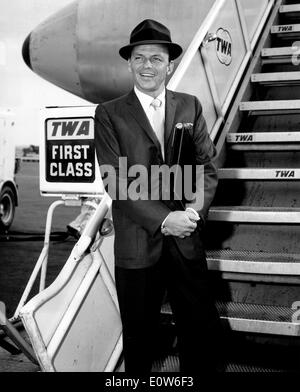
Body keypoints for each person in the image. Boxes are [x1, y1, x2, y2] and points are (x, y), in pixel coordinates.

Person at [94, 19, 223, 373]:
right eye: (139, 58)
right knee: (139, 339)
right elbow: (115, 181)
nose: (146, 66)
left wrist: (191, 215)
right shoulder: (108, 114)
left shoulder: (190, 106)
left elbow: (208, 167)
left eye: (155, 58)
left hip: (186, 237)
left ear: (170, 64)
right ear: (130, 62)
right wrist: (165, 220)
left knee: (200, 331)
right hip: (138, 244)